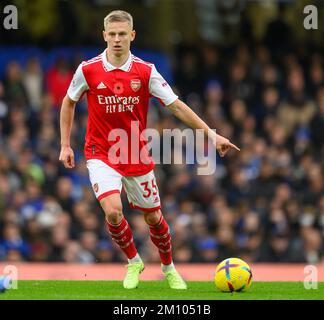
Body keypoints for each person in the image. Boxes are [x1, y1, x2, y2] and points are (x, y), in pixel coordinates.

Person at [59, 10, 239, 290]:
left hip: (134, 153)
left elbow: (177, 105)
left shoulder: (145, 71)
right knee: (113, 212)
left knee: (154, 217)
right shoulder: (88, 69)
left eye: (122, 34)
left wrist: (212, 136)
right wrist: (65, 144)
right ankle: (134, 262)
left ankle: (168, 268)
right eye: (112, 34)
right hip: (100, 152)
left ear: (132, 36)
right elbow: (68, 101)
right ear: (104, 35)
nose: (117, 39)